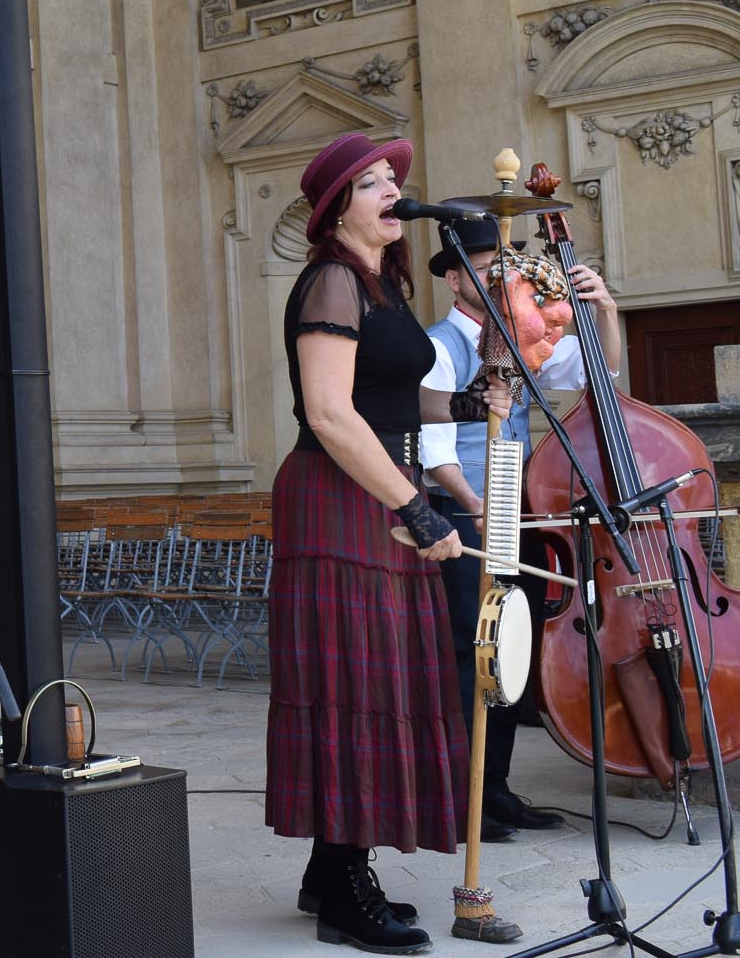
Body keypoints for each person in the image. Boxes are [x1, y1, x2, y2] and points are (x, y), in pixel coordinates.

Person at [266, 132, 510, 956]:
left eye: (393, 179)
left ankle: (328, 867)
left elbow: (395, 401)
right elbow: (332, 413)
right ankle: (342, 887)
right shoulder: (334, 278)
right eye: (371, 181)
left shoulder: (381, 285)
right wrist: (420, 505)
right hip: (342, 497)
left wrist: (472, 408)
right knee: (351, 680)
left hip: (379, 491)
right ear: (336, 205)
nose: (392, 190)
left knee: (377, 680)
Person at [420, 215, 620, 839]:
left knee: (509, 652)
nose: (498, 277)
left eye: (503, 267)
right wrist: (475, 505)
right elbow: (432, 442)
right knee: (465, 651)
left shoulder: (523, 336)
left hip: (516, 508)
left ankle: (495, 788)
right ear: (454, 280)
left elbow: (596, 375)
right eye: (484, 268)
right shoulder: (438, 345)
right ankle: (458, 796)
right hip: (464, 511)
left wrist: (605, 310)